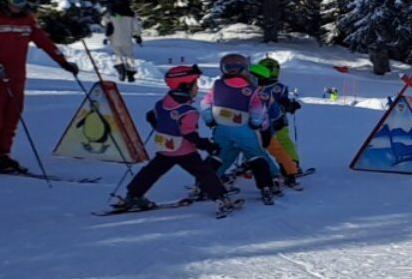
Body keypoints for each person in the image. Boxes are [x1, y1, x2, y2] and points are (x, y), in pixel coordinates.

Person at [0, 0, 81, 172]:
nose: (19, 6)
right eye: (16, 2)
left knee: (12, 117)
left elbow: (44, 41)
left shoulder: (26, 20)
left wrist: (62, 62)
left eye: (22, 2)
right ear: (3, 1)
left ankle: (2, 155)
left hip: (17, 76)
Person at [112, 65, 243, 215]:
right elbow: (188, 134)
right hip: (184, 151)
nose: (197, 88)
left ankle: (133, 195)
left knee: (151, 172)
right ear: (185, 86)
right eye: (195, 84)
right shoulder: (188, 111)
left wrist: (161, 126)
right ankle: (222, 200)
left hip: (164, 148)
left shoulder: (162, 103)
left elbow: (151, 116)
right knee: (204, 173)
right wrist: (206, 145)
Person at [207, 52, 280, 203]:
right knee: (256, 155)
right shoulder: (251, 88)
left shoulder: (217, 85)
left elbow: (205, 105)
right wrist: (258, 125)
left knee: (220, 154)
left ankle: (206, 182)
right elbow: (258, 111)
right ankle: (267, 185)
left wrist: (210, 120)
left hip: (222, 128)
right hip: (244, 129)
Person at [251, 58, 302, 188]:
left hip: (272, 120)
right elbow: (284, 102)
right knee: (281, 143)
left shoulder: (260, 86)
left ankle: (291, 164)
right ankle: (291, 164)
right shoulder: (276, 87)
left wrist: (290, 106)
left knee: (273, 143)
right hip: (272, 120)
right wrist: (290, 106)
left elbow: (284, 102)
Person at [103, 0, 142, 82]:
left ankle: (121, 69)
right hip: (127, 38)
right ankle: (131, 74)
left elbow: (106, 24)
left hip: (114, 37)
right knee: (129, 55)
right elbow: (136, 26)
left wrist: (106, 37)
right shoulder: (131, 14)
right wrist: (138, 36)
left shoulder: (111, 13)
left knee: (118, 55)